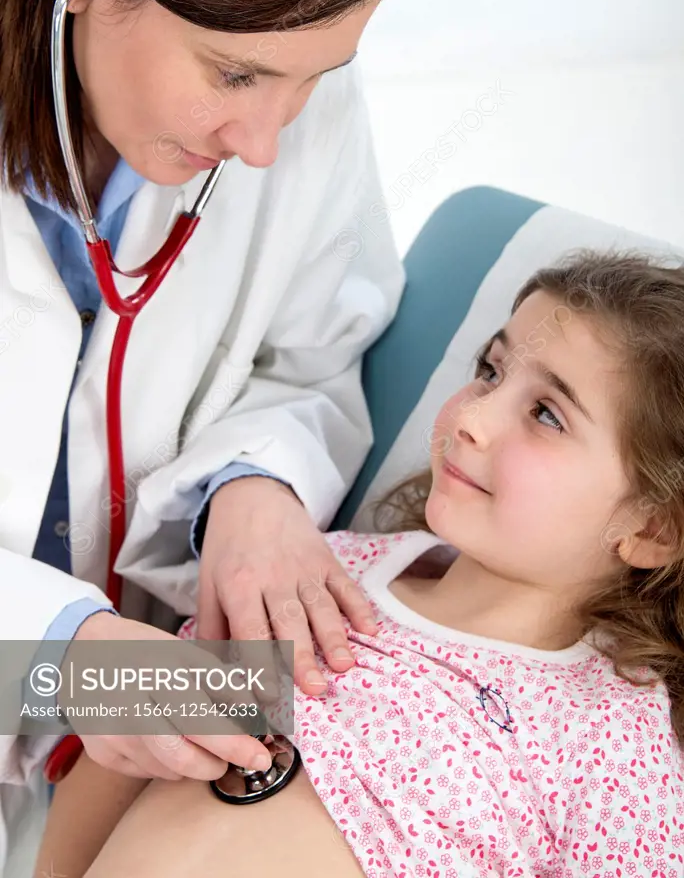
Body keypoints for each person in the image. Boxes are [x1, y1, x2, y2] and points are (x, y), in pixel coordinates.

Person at [0, 0, 435, 869]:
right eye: (233, 73)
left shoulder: (286, 84)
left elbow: (314, 355)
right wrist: (60, 655)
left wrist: (253, 482)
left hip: (114, 770)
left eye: (315, 78)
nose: (263, 143)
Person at [34, 248, 684, 877]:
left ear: (653, 527)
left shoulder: (617, 749)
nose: (473, 419)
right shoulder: (321, 574)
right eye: (490, 371)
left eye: (547, 414)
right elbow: (137, 731)